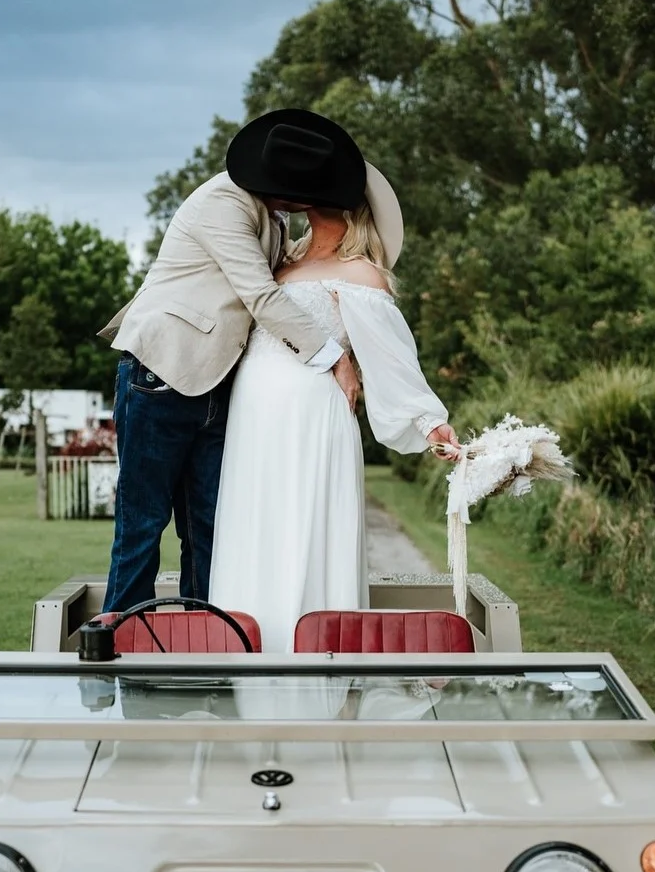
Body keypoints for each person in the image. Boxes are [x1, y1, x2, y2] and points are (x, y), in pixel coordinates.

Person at [98, 108, 364, 614]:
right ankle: (122, 641)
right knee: (143, 523)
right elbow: (262, 296)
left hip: (218, 383)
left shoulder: (275, 217)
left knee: (209, 527)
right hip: (161, 372)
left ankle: (208, 639)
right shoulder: (223, 203)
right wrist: (336, 357)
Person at [209, 163, 460, 652]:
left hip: (311, 420)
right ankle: (246, 659)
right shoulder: (279, 263)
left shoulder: (361, 274)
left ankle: (309, 663)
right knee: (254, 532)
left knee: (304, 536)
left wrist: (431, 423)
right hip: (252, 420)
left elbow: (392, 362)